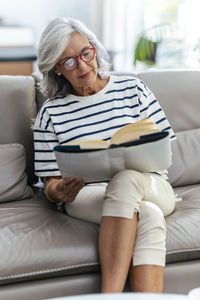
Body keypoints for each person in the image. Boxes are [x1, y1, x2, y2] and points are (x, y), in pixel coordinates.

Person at [34, 17, 176, 293]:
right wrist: (57, 191)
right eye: (69, 62)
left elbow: (165, 148)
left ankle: (108, 297)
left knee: (126, 181)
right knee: (148, 214)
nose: (83, 65)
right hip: (87, 195)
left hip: (152, 185)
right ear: (57, 69)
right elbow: (49, 182)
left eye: (85, 53)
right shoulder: (50, 113)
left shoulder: (134, 90)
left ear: (95, 48)